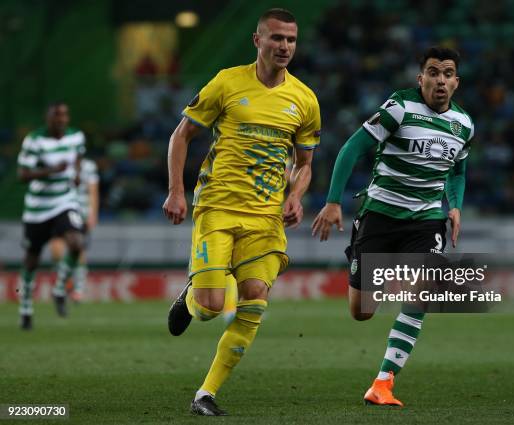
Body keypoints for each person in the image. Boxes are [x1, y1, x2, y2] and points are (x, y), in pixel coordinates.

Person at [162, 8, 320, 416]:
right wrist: (176, 191)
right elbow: (182, 135)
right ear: (257, 41)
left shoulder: (304, 99)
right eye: (277, 38)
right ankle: (191, 298)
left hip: (266, 219)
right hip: (217, 208)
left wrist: (296, 196)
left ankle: (205, 394)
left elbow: (305, 164)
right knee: (212, 307)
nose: (284, 46)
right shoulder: (227, 82)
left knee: (254, 301)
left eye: (291, 40)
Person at [312, 47, 474, 407]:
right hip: (380, 215)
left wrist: (456, 206)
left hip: (427, 219)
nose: (441, 80)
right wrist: (334, 201)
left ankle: (383, 383)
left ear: (456, 82)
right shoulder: (399, 107)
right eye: (433, 72)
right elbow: (352, 148)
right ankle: (367, 261)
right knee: (361, 312)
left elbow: (458, 170)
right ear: (421, 79)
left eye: (448, 74)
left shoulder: (464, 124)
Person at [17, 102, 86, 329]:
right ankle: (26, 306)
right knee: (32, 258)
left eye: (65, 115)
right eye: (57, 115)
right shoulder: (34, 140)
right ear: (48, 118)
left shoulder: (76, 136)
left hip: (64, 201)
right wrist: (51, 171)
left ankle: (59, 289)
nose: (62, 119)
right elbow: (23, 174)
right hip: (38, 207)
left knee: (76, 243)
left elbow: (78, 157)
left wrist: (76, 174)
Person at [49, 157, 99, 302]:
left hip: (80, 211)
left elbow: (93, 190)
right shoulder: (58, 162)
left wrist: (92, 213)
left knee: (79, 248)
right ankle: (66, 280)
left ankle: (79, 288)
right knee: (56, 249)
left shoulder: (89, 165)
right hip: (59, 210)